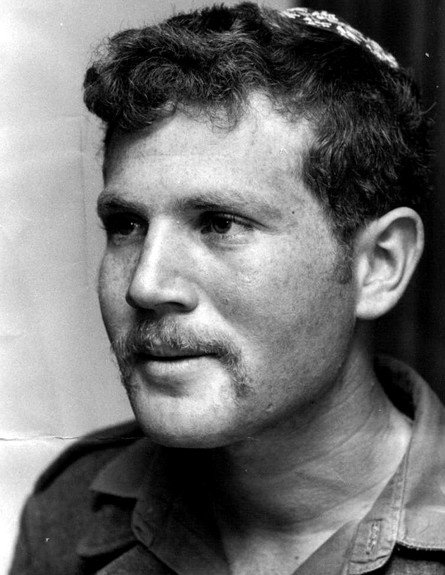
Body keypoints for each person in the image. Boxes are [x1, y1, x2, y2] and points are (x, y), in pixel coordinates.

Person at [10, 3, 443, 574]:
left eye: (219, 224)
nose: (146, 284)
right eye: (126, 225)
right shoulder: (69, 512)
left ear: (379, 265)